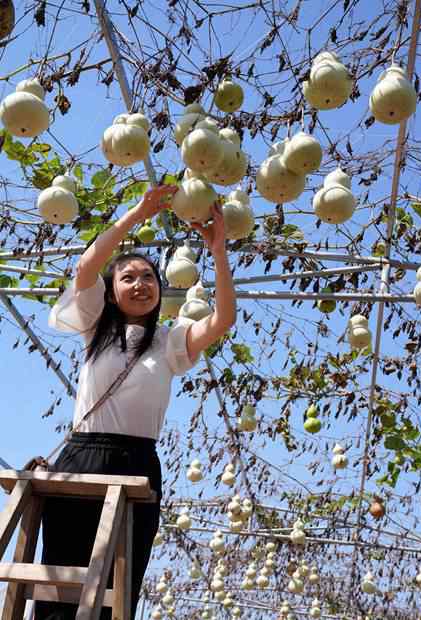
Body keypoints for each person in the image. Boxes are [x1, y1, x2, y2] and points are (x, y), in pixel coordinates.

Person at [34, 185, 237, 620]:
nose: (141, 284)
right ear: (112, 292)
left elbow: (222, 320)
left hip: (138, 462)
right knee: (61, 578)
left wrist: (218, 252)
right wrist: (138, 213)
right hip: (83, 455)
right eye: (128, 278)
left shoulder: (169, 342)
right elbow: (87, 266)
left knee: (118, 583)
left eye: (149, 278)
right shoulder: (95, 327)